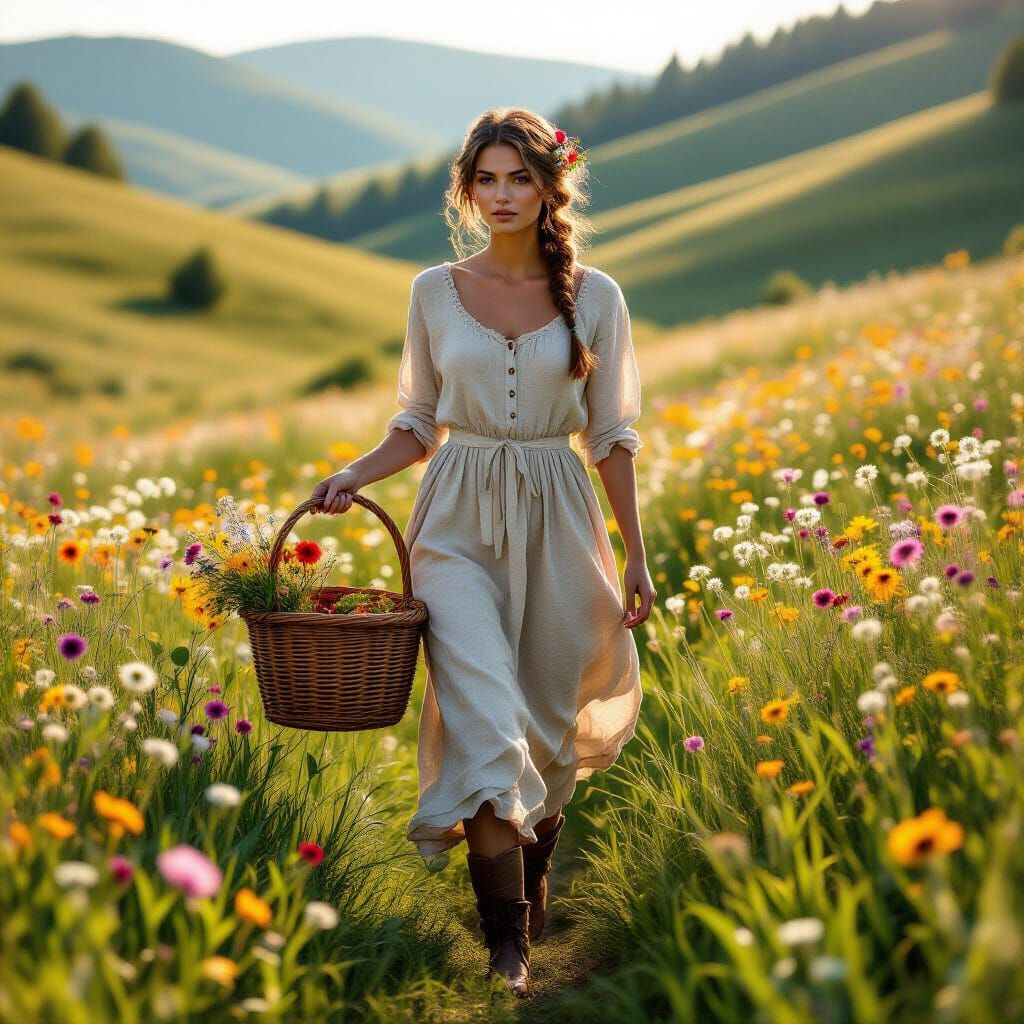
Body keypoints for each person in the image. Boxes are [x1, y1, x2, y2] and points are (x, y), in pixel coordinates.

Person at [309, 107, 655, 1000]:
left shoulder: (600, 297)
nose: (503, 196)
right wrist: (353, 473)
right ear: (467, 189)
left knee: (543, 726)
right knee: (486, 719)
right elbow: (419, 422)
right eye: (488, 179)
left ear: (550, 188)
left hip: (562, 523)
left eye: (521, 179)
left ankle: (531, 880)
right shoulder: (432, 289)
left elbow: (611, 436)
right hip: (454, 527)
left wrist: (635, 557)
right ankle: (506, 948)